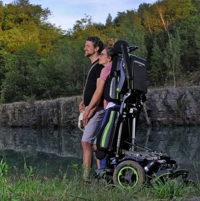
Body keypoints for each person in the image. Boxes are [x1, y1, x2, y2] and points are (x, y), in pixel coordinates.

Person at [83, 46, 118, 171]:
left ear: (108, 58)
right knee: (103, 142)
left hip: (108, 108)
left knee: (101, 143)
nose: (100, 57)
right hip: (116, 108)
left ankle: (102, 172)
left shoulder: (106, 69)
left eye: (102, 54)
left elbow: (98, 92)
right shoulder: (116, 68)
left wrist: (88, 110)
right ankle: (103, 171)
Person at [79, 36, 104, 182]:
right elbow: (91, 89)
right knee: (95, 144)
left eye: (87, 46)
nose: (85, 48)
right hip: (91, 107)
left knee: (86, 142)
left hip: (96, 109)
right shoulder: (94, 66)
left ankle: (85, 179)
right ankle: (101, 175)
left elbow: (99, 91)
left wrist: (91, 109)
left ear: (96, 49)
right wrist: (83, 102)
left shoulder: (99, 66)